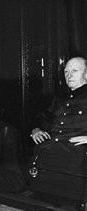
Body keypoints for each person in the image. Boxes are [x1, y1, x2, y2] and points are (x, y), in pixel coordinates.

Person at [29, 57, 87, 197]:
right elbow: (42, 118)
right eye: (66, 71)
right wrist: (35, 130)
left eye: (75, 70)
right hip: (48, 156)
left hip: (76, 160)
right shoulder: (59, 99)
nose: (69, 75)